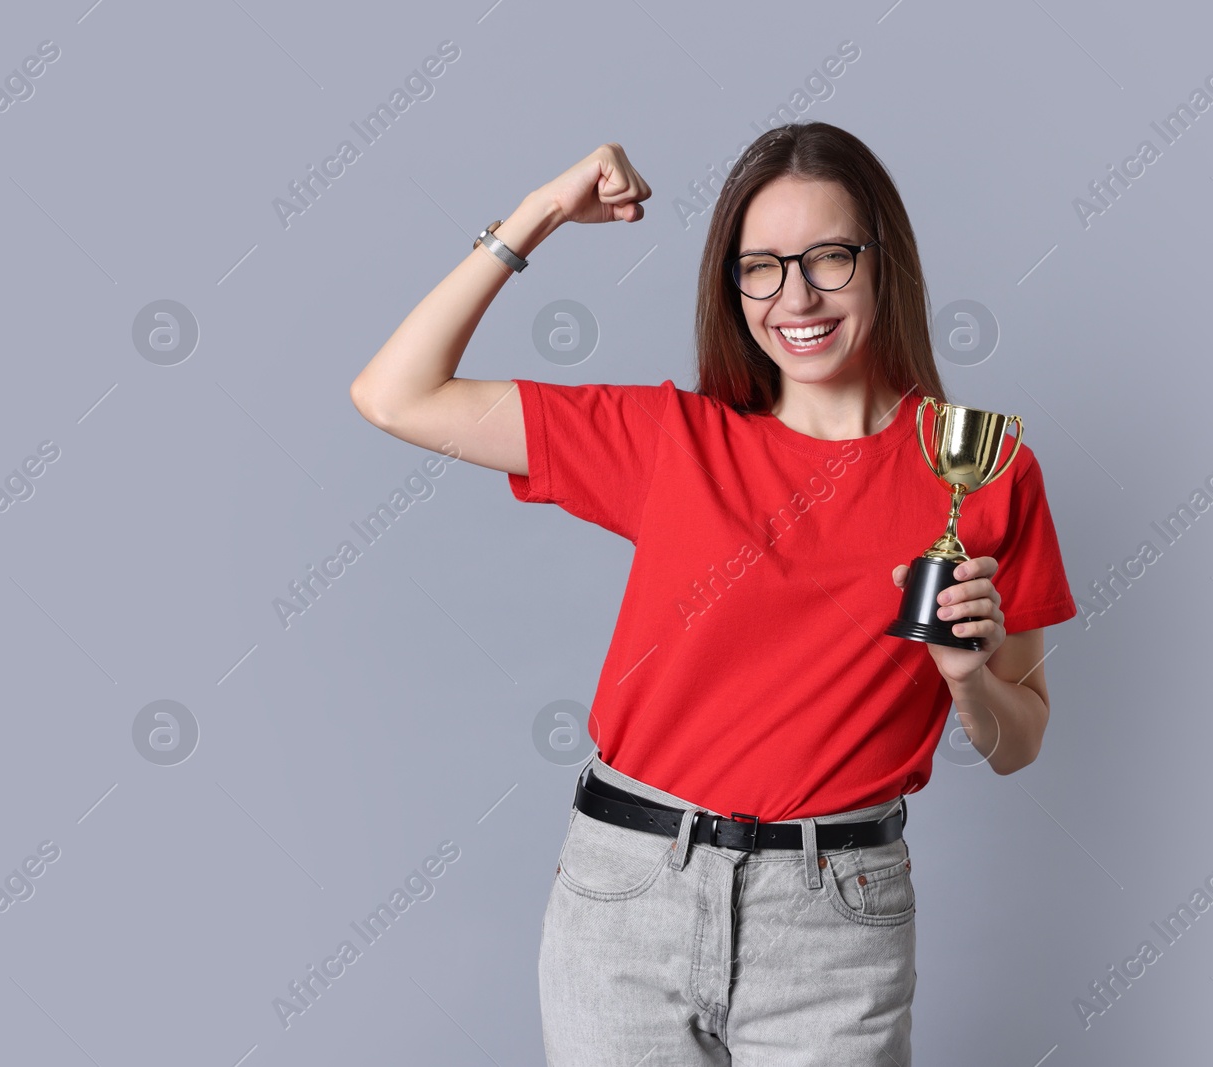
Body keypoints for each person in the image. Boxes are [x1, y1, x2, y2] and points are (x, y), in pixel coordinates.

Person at [350, 122, 1078, 1066]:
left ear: (884, 262)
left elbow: (1018, 743)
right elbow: (394, 393)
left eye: (828, 257)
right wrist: (536, 217)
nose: (796, 298)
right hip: (627, 896)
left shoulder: (986, 471)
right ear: (731, 288)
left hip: (836, 921)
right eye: (761, 268)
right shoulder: (672, 441)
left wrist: (966, 677)